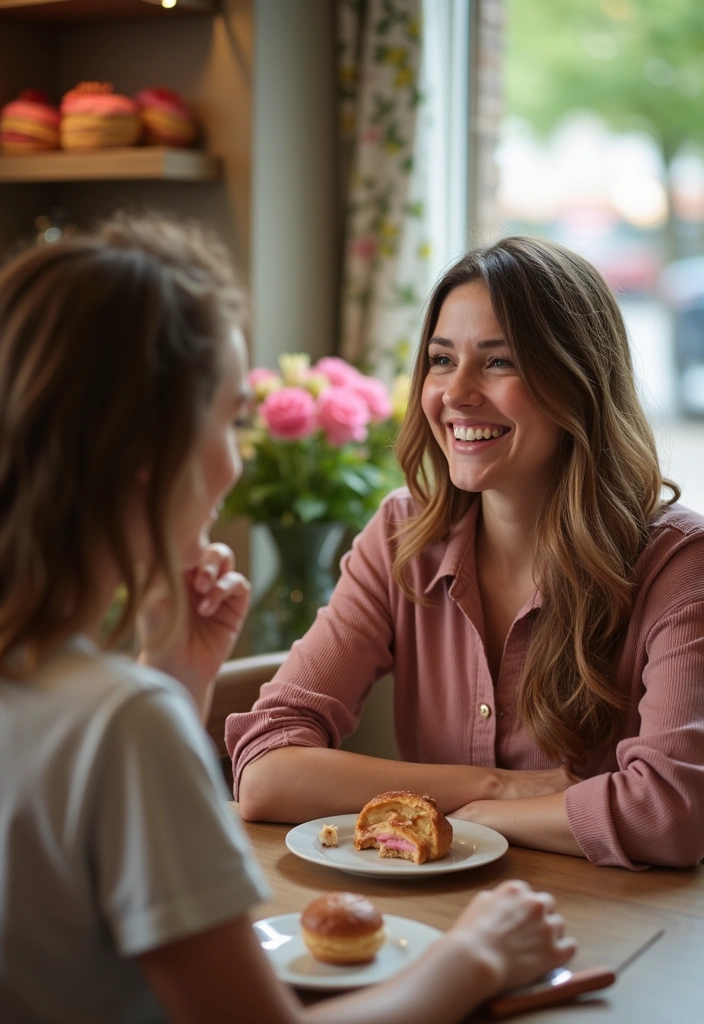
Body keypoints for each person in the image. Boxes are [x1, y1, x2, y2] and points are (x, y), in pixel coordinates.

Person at [0, 215, 576, 1024]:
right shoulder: (123, 725)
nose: (236, 463)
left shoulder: (97, 708)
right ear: (147, 449)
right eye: (232, 420)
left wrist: (169, 680)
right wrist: (474, 957)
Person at [229, 235, 704, 871]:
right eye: (441, 359)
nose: (456, 393)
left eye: (500, 362)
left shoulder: (676, 566)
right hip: (432, 926)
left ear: (578, 381)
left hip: (613, 935)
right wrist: (492, 788)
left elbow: (672, 814)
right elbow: (265, 772)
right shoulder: (402, 537)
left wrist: (476, 819)